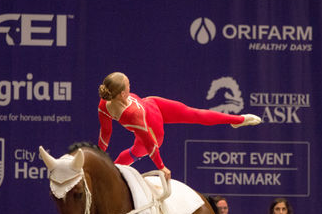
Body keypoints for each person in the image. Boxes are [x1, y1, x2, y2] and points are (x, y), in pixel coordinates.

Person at [98, 72, 262, 180]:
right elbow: (149, 143)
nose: (130, 85)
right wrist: (161, 167)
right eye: (128, 85)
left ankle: (237, 120)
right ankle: (111, 173)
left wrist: (99, 155)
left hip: (152, 104)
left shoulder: (106, 102)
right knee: (135, 151)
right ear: (122, 94)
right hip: (154, 131)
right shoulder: (131, 114)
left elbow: (106, 133)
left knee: (194, 113)